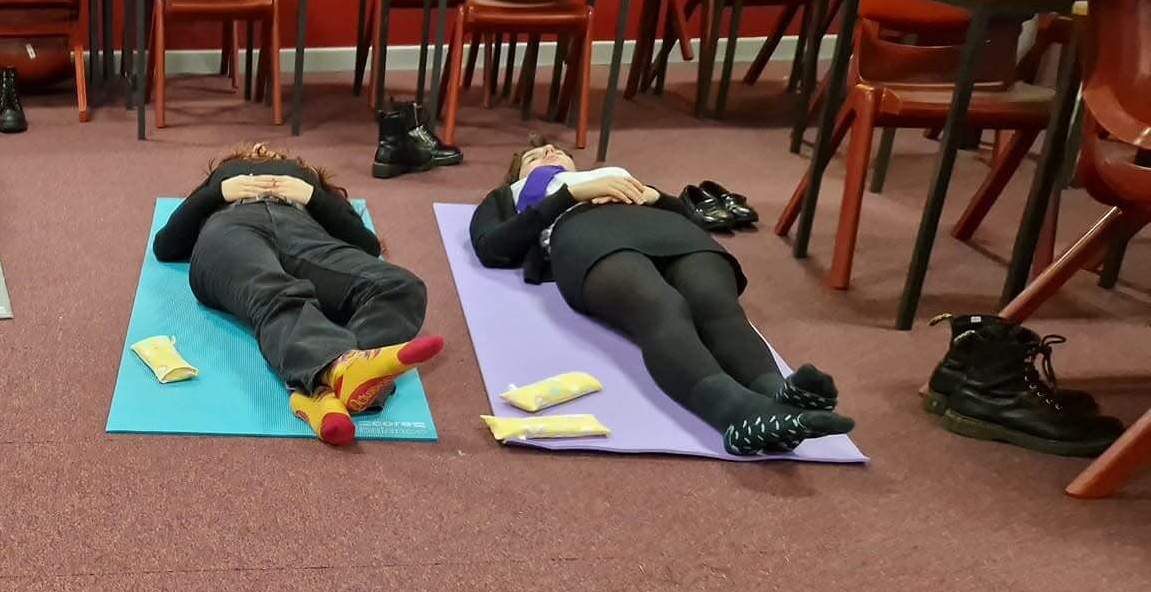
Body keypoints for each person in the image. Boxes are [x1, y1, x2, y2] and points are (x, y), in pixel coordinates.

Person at [471, 137, 855, 455]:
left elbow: (692, 216)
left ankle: (776, 393)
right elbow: (491, 247)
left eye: (556, 150)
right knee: (661, 308)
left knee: (715, 304)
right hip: (586, 235)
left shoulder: (611, 174)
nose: (549, 153)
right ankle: (735, 412)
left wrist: (656, 196)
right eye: (534, 157)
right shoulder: (511, 196)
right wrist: (568, 195)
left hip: (665, 228)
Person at [152, 142, 443, 446]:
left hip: (303, 231)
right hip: (230, 227)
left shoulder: (306, 179)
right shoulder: (223, 179)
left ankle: (322, 389)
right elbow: (166, 245)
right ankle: (338, 371)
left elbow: (365, 243)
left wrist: (311, 195)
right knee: (276, 291)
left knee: (400, 286)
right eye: (253, 153)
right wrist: (218, 192)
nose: (262, 148)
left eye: (276, 155)